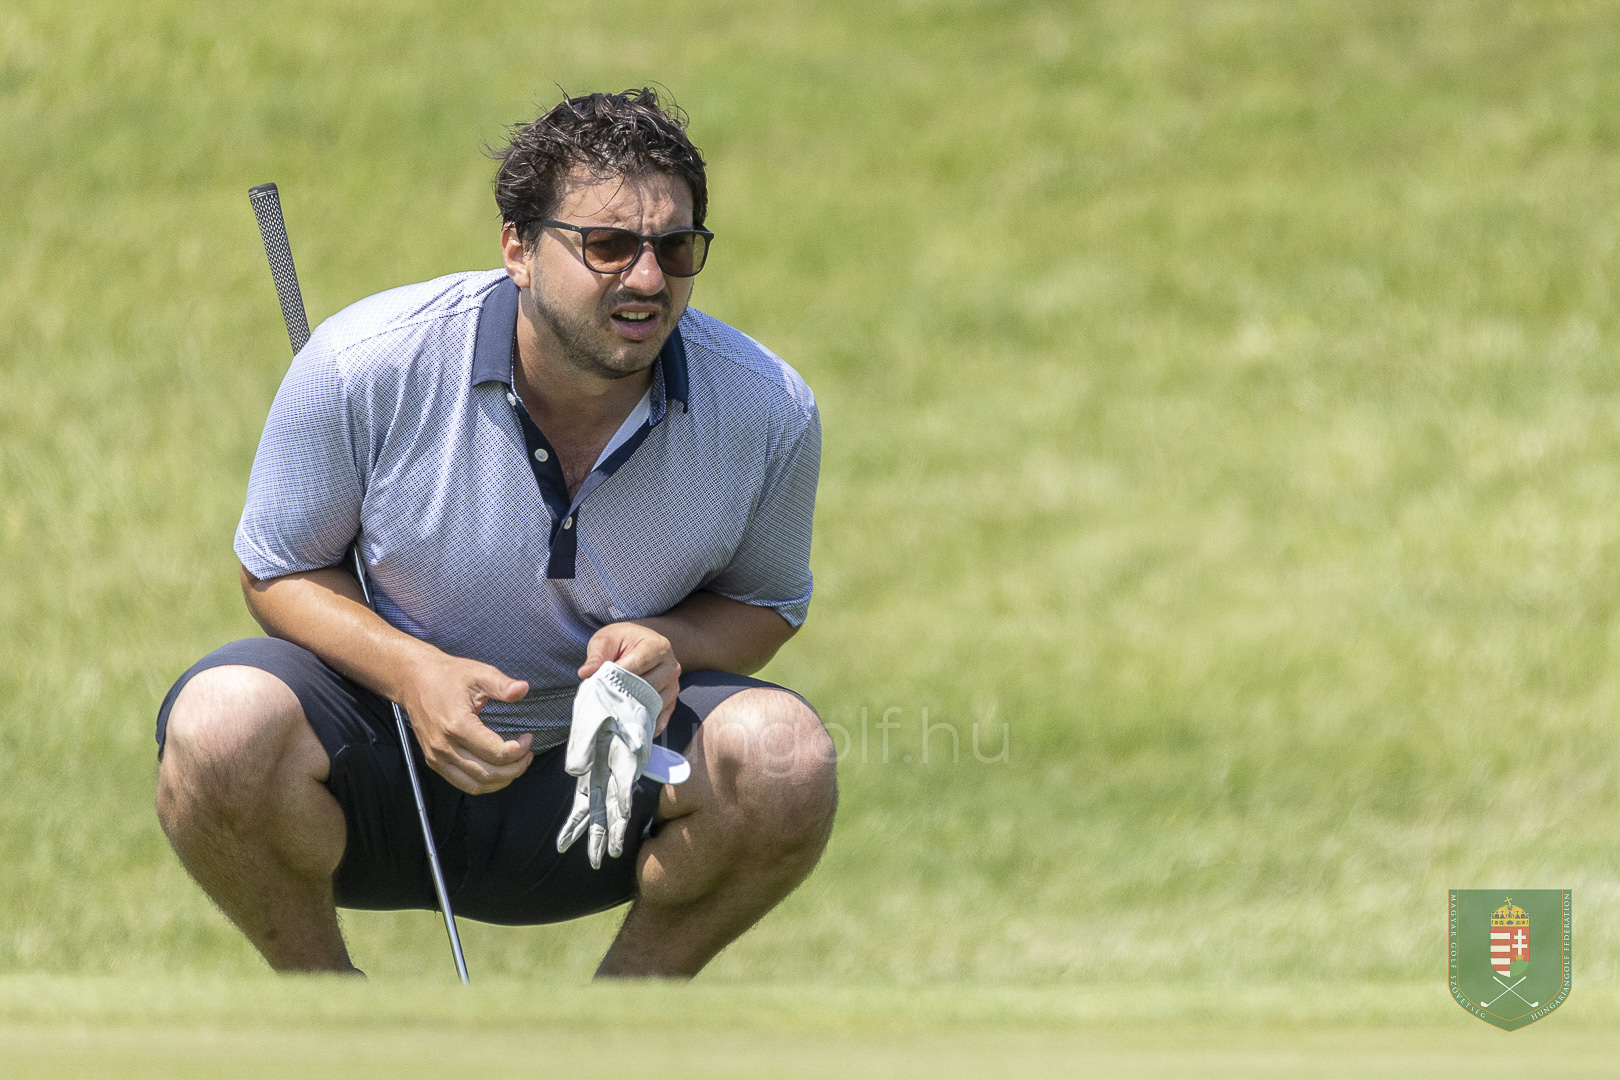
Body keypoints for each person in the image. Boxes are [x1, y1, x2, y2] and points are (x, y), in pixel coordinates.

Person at [153, 89, 837, 977]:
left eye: (675, 248)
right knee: (221, 725)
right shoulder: (362, 363)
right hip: (384, 768)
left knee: (785, 758)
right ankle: (328, 1012)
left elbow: (766, 604)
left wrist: (672, 641)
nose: (646, 279)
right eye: (607, 246)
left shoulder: (767, 407)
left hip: (609, 785)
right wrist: (412, 672)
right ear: (517, 248)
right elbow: (276, 571)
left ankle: (619, 1029)